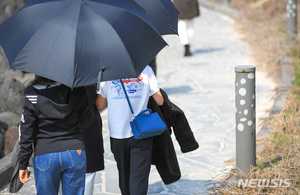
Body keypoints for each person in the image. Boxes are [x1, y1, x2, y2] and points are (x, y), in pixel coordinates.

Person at [18, 76, 93, 195]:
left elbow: (27, 132)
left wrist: (22, 163)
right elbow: (87, 121)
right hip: (74, 150)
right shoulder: (77, 89)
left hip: (45, 153)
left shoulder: (33, 93)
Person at [95, 65, 164, 195]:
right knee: (139, 178)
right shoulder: (146, 69)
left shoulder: (107, 72)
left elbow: (100, 105)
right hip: (142, 132)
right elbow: (159, 101)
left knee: (124, 175)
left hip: (118, 134)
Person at [81, 84, 105, 195]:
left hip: (60, 130)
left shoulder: (49, 72)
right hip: (88, 127)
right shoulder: (92, 69)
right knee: (87, 176)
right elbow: (100, 104)